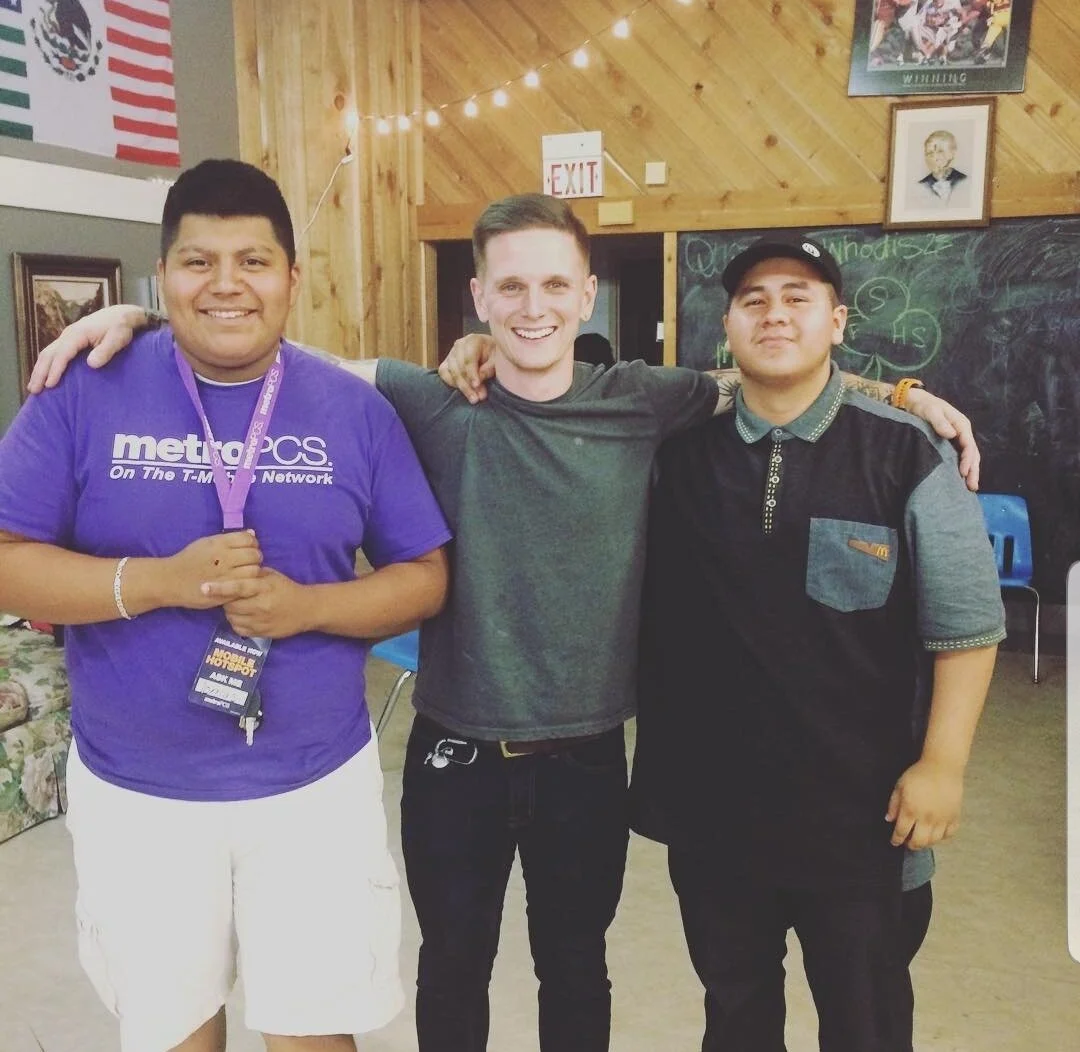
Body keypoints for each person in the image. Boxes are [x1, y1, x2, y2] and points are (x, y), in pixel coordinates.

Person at [32, 197, 981, 1052]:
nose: (535, 307)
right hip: (456, 751)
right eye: (513, 286)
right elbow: (271, 354)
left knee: (577, 968)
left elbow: (768, 376)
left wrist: (900, 395)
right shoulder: (427, 396)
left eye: (556, 285)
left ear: (586, 296)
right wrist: (146, 322)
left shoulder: (642, 400)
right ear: (479, 297)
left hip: (587, 754)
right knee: (452, 968)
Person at [0, 159, 451, 1052]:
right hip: (138, 792)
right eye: (198, 262)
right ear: (161, 275)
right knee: (172, 1032)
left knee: (315, 1034)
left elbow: (425, 576)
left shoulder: (352, 410)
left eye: (253, 261)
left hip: (315, 787)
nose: (226, 285)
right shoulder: (82, 390)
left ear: (291, 276)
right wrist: (158, 582)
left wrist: (307, 608)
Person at [629, 232, 1005, 1052]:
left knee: (867, 1024)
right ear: (727, 326)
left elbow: (968, 627)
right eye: (754, 300)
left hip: (864, 820)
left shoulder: (906, 451)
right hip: (714, 814)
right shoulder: (673, 454)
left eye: (798, 298)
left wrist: (942, 766)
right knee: (735, 1016)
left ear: (836, 322)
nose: (775, 314)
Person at [916, 129, 969, 207]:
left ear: (952, 153)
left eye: (940, 151)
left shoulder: (965, 181)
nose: (935, 158)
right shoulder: (921, 186)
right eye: (929, 153)